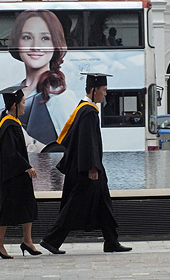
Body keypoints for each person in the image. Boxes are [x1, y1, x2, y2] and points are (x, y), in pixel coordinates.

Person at [40, 73, 132, 254]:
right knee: (74, 205)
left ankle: (111, 241)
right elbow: (87, 142)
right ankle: (51, 240)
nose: (105, 94)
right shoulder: (88, 112)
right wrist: (92, 167)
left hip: (86, 166)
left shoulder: (82, 109)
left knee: (103, 201)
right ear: (93, 90)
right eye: (103, 90)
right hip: (87, 168)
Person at [0, 9, 78, 152]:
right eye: (27, 37)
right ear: (17, 42)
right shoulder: (5, 96)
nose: (35, 46)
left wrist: (29, 142)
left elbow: (74, 151)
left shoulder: (61, 97)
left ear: (55, 44)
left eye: (45, 38)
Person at [0, 86, 41, 259]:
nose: (25, 105)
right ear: (14, 106)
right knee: (6, 209)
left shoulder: (11, 124)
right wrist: (27, 166)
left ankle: (27, 241)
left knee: (27, 205)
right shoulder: (9, 126)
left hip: (16, 175)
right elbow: (10, 153)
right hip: (10, 176)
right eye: (23, 102)